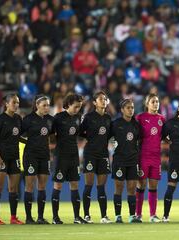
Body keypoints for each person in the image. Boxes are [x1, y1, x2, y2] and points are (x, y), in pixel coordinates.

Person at [51, 93, 86, 224]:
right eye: (76, 106)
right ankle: (55, 218)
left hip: (73, 155)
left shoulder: (78, 118)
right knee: (58, 185)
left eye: (80, 107)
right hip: (60, 155)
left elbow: (82, 133)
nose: (78, 109)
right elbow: (50, 135)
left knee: (75, 184)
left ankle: (77, 217)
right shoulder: (58, 118)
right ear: (68, 104)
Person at [80, 91, 113, 224]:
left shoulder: (108, 118)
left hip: (103, 154)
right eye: (100, 99)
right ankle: (87, 215)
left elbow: (110, 134)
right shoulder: (88, 117)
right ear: (94, 102)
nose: (103, 101)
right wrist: (91, 138)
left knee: (101, 187)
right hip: (90, 154)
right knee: (88, 185)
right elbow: (80, 131)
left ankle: (104, 216)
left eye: (105, 99)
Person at [0, 94, 24, 225]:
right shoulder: (0, 119)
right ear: (6, 104)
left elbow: (18, 137)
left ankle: (13, 217)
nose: (16, 105)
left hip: (14, 156)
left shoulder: (18, 119)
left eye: (18, 102)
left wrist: (30, 141)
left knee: (13, 189)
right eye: (14, 102)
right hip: (1, 157)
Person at [21, 95, 54, 224]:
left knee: (42, 186)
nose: (47, 108)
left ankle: (40, 217)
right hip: (30, 155)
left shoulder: (50, 120)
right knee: (29, 186)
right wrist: (30, 143)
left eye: (48, 105)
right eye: (44, 105)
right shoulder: (28, 119)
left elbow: (53, 136)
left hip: (44, 155)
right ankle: (29, 218)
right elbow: (18, 135)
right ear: (37, 105)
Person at [135, 93, 165, 223]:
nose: (156, 104)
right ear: (147, 104)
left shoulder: (162, 119)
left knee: (153, 186)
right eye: (153, 101)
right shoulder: (140, 118)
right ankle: (138, 214)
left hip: (156, 157)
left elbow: (164, 136)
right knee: (141, 184)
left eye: (157, 101)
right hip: (143, 156)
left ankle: (153, 215)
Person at [111, 99, 142, 223]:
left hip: (132, 160)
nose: (131, 110)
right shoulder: (116, 124)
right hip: (119, 160)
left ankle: (131, 216)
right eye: (128, 108)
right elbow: (107, 137)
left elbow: (139, 141)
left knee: (132, 189)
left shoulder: (136, 125)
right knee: (119, 188)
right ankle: (118, 216)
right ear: (122, 110)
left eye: (132, 107)